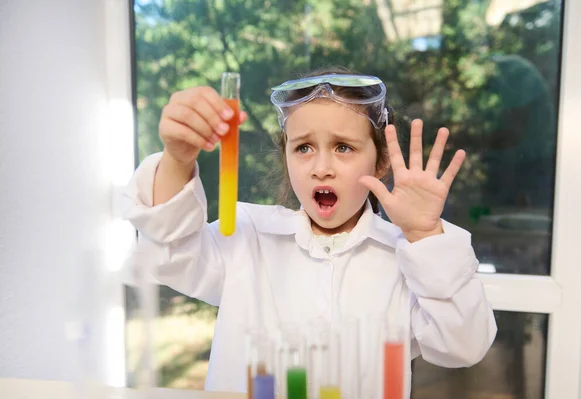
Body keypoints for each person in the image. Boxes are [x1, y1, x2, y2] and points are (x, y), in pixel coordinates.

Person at [123, 67, 497, 394]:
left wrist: (426, 234)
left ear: (382, 161)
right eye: (303, 148)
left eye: (343, 147)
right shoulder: (249, 236)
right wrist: (177, 159)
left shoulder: (407, 257)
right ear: (286, 159)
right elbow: (170, 251)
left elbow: (464, 344)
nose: (321, 167)